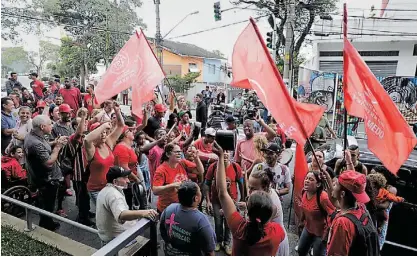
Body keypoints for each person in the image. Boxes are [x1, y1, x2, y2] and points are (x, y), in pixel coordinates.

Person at [215, 142, 285, 255]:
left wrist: (220, 157)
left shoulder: (238, 227)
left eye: (253, 189)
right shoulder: (278, 232)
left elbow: (222, 193)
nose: (250, 191)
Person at [24, 115, 68, 231]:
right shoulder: (35, 143)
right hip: (46, 180)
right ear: (42, 126)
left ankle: (47, 220)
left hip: (43, 178)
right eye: (50, 124)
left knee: (45, 202)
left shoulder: (34, 135)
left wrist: (55, 142)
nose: (52, 125)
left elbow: (45, 145)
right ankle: (47, 225)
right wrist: (58, 147)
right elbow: (48, 162)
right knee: (48, 204)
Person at [96, 166, 158, 244]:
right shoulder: (114, 195)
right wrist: (144, 213)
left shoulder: (105, 190)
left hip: (110, 237)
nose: (128, 181)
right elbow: (122, 215)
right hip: (118, 241)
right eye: (125, 178)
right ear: (115, 182)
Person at [327, 170, 380, 256]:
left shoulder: (342, 223)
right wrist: (327, 179)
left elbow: (336, 254)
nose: (333, 186)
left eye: (335, 184)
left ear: (342, 194)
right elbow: (335, 201)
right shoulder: (361, 207)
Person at [160, 181, 216, 256]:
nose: (201, 192)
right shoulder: (201, 220)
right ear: (196, 198)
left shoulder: (169, 208)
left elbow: (162, 229)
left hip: (170, 251)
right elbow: (209, 249)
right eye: (199, 190)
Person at [244, 166, 290, 256]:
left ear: (265, 187)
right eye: (249, 188)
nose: (250, 192)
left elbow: (257, 226)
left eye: (253, 189)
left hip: (272, 240)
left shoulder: (270, 204)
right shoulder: (265, 194)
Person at [84, 103, 124, 204]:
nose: (103, 134)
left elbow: (120, 126)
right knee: (105, 213)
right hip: (96, 189)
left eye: (105, 132)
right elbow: (87, 139)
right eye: (100, 132)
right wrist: (104, 126)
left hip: (110, 186)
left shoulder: (108, 143)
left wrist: (117, 111)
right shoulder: (91, 149)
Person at [205, 151, 244, 255]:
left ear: (231, 153)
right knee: (218, 222)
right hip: (216, 200)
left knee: (229, 223)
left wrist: (243, 199)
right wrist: (208, 201)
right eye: (223, 151)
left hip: (232, 201)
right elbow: (207, 184)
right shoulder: (213, 167)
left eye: (227, 151)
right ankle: (218, 241)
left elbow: (241, 184)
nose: (225, 154)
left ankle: (227, 243)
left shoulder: (236, 167)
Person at [153, 143, 204, 213]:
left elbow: (200, 171)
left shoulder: (182, 163)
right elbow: (155, 190)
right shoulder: (161, 170)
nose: (179, 154)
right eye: (176, 152)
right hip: (166, 208)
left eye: (180, 152)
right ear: (168, 154)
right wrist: (172, 185)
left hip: (182, 207)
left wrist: (196, 158)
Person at [298, 171, 335, 256]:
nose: (306, 181)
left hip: (321, 234)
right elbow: (303, 208)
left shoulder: (323, 197)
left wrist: (326, 235)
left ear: (318, 184)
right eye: (306, 178)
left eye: (311, 179)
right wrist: (301, 221)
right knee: (301, 250)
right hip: (308, 229)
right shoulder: (304, 191)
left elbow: (333, 215)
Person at [113, 125, 142, 209]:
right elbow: (124, 168)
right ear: (125, 134)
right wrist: (136, 179)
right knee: (129, 205)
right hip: (126, 183)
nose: (133, 132)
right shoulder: (121, 148)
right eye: (130, 131)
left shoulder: (127, 145)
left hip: (131, 180)